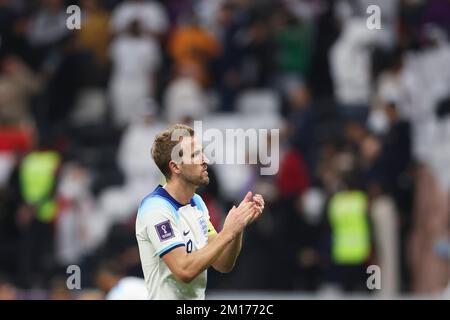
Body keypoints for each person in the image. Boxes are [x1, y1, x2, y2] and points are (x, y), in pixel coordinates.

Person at [135, 124, 264, 299]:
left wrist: (238, 227)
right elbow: (184, 270)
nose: (206, 160)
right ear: (176, 167)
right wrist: (228, 232)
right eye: (195, 155)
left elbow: (223, 263)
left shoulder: (197, 202)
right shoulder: (156, 209)